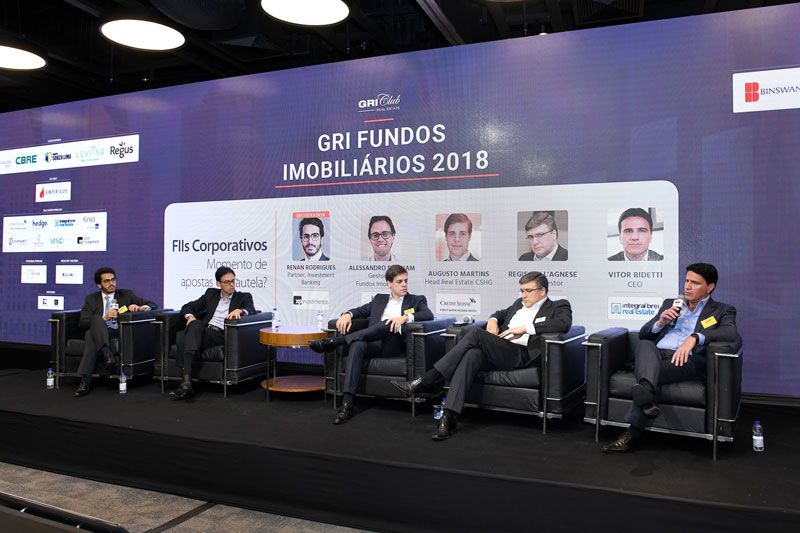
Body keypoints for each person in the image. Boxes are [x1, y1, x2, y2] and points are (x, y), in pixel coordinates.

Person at [392, 272, 572, 440]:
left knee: (477, 334)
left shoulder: (558, 306)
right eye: (522, 290)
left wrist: (525, 329)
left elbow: (563, 324)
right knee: (472, 354)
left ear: (542, 291)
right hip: (500, 349)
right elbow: (499, 314)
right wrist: (493, 321)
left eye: (528, 291)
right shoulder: (519, 303)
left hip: (522, 354)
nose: (523, 295)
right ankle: (449, 416)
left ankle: (428, 379)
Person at [603, 263, 738, 452]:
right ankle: (646, 395)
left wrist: (695, 337)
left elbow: (730, 333)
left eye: (695, 283)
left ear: (710, 287)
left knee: (650, 374)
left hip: (687, 359)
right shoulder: (671, 304)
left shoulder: (722, 310)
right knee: (644, 344)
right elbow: (644, 334)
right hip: (656, 354)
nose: (688, 287)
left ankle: (633, 431)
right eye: (687, 281)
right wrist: (660, 322)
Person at [309, 264, 433, 424]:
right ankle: (347, 404)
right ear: (389, 283)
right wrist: (347, 314)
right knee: (357, 344)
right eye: (399, 281)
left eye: (406, 281)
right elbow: (360, 311)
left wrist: (404, 318)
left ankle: (336, 342)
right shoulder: (379, 299)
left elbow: (428, 314)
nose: (404, 284)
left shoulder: (416, 300)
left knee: (387, 323)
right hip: (373, 342)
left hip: (393, 345)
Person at [173, 267, 256, 399]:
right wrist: (190, 316)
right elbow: (188, 307)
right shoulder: (210, 294)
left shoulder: (243, 297)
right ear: (219, 284)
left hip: (221, 334)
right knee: (185, 332)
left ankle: (185, 380)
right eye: (227, 282)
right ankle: (187, 382)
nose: (231, 285)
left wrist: (240, 310)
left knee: (184, 334)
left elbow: (250, 309)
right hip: (205, 331)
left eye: (233, 281)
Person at [73, 267, 157, 397]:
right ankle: (107, 354)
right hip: (99, 330)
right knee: (95, 322)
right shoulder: (91, 299)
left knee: (91, 335)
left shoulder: (126, 295)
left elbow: (152, 305)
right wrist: (104, 318)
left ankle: (85, 381)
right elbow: (83, 322)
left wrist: (140, 307)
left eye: (113, 280)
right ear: (99, 285)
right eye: (106, 281)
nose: (111, 283)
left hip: (117, 331)